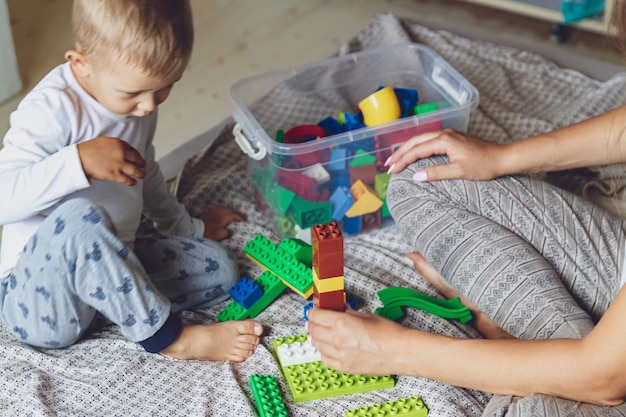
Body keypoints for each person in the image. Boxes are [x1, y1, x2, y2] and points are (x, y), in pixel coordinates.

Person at [307, 3, 626, 407]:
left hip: (609, 373)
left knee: (546, 407)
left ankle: (520, 347)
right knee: (422, 174)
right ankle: (543, 356)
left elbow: (605, 378)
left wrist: (395, 350)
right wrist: (501, 157)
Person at [0, 0, 263, 362]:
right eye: (133, 94)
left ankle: (121, 304)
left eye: (166, 87)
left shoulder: (140, 102)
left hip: (114, 264)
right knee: (80, 215)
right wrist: (77, 161)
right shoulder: (51, 110)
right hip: (38, 302)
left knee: (219, 269)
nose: (149, 106)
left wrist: (188, 227)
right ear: (81, 64)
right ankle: (168, 337)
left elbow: (143, 169)